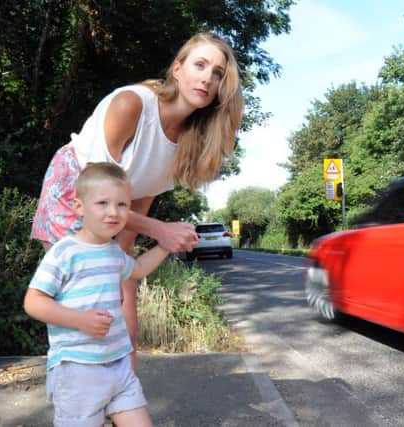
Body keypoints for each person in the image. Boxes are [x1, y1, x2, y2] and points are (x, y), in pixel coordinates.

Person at [31, 31, 244, 369]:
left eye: (217, 73)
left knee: (124, 321)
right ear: (177, 69)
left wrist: (126, 282)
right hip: (75, 191)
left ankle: (120, 400)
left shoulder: (189, 145)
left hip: (116, 209)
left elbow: (134, 212)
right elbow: (99, 194)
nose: (207, 77)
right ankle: (78, 401)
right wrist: (162, 231)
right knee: (87, 309)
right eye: (200, 65)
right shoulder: (132, 105)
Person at [24, 162, 168, 427]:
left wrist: (165, 246)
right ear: (79, 207)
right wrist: (79, 320)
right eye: (102, 203)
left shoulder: (114, 251)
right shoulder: (64, 253)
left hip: (118, 363)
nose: (114, 212)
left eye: (123, 204)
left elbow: (137, 270)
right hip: (78, 369)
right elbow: (33, 301)